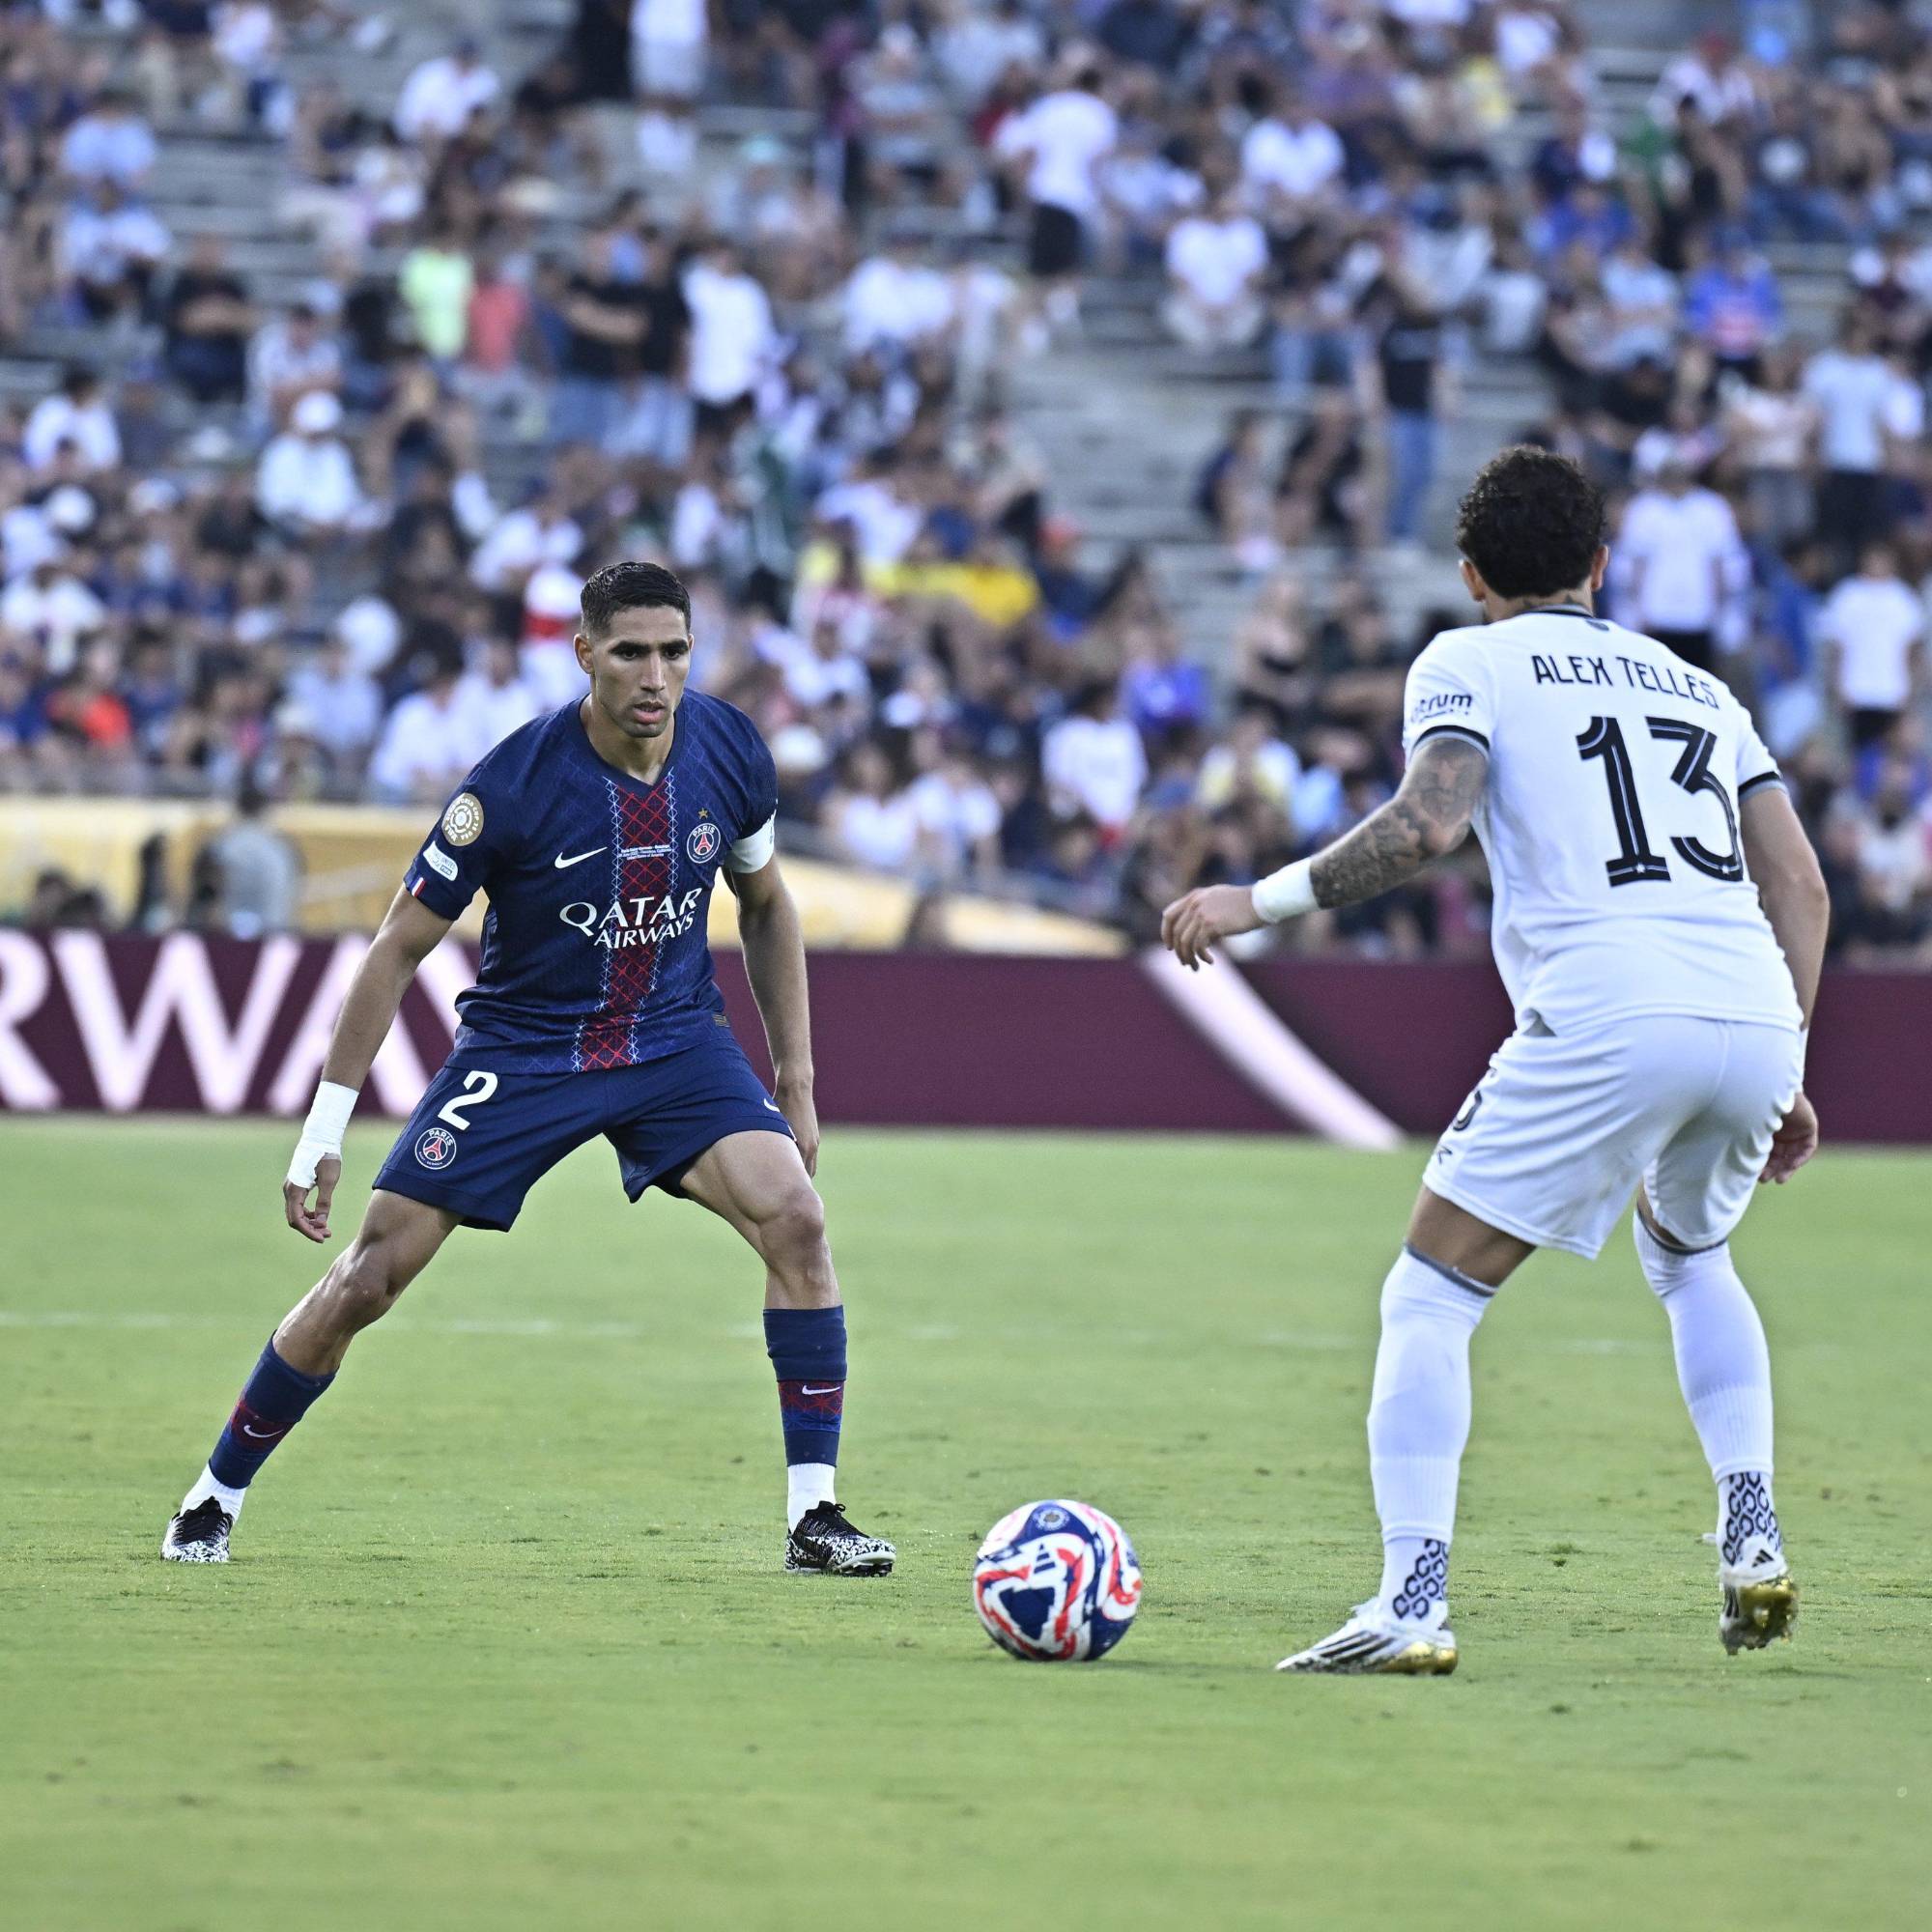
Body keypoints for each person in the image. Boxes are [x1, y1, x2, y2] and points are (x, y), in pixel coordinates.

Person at [1161, 447, 1826, 1673]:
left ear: (1470, 574)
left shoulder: (1466, 658)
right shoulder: (1697, 685)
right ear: (1600, 564)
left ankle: (1410, 1603)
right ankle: (1750, 1528)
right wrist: (1782, 1054)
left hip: (1610, 1003)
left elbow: (1426, 820)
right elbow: (1798, 879)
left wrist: (1253, 899)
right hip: (1744, 1000)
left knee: (1430, 1288)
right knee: (1689, 1255)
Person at [160, 562, 894, 1579]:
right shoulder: (511, 784)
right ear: (583, 651)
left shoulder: (729, 748)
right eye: (631, 651)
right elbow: (392, 949)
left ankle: (813, 1516)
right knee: (370, 1275)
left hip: (674, 1038)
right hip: (527, 1046)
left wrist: (796, 1080)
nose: (655, 675)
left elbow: (766, 905)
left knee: (798, 1219)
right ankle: (213, 1495)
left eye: (673, 651)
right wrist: (323, 1130)